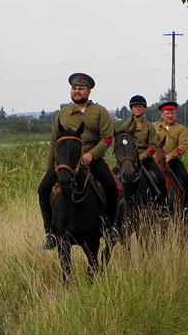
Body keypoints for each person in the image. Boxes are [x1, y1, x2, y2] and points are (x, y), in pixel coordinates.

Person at [38, 72, 120, 249]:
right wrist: (47, 168)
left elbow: (107, 139)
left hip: (92, 158)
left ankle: (110, 227)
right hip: (66, 161)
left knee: (112, 187)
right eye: (74, 88)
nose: (77, 91)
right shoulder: (63, 113)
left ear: (89, 92)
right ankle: (50, 232)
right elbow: (54, 143)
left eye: (81, 89)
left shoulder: (100, 112)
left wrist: (91, 155)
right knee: (43, 189)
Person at [120, 95, 168, 215]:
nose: (138, 109)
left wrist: (142, 156)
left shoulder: (149, 127)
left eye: (140, 107)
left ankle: (163, 206)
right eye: (135, 107)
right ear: (131, 109)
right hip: (128, 159)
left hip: (144, 159)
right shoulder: (124, 126)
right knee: (113, 177)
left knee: (161, 177)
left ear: (144, 108)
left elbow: (153, 145)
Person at [153, 101, 188, 219]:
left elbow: (183, 145)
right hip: (155, 160)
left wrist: (170, 156)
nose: (170, 116)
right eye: (167, 113)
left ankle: (187, 208)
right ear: (162, 114)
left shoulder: (180, 129)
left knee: (185, 179)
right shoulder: (154, 127)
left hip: (172, 160)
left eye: (172, 113)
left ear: (175, 114)